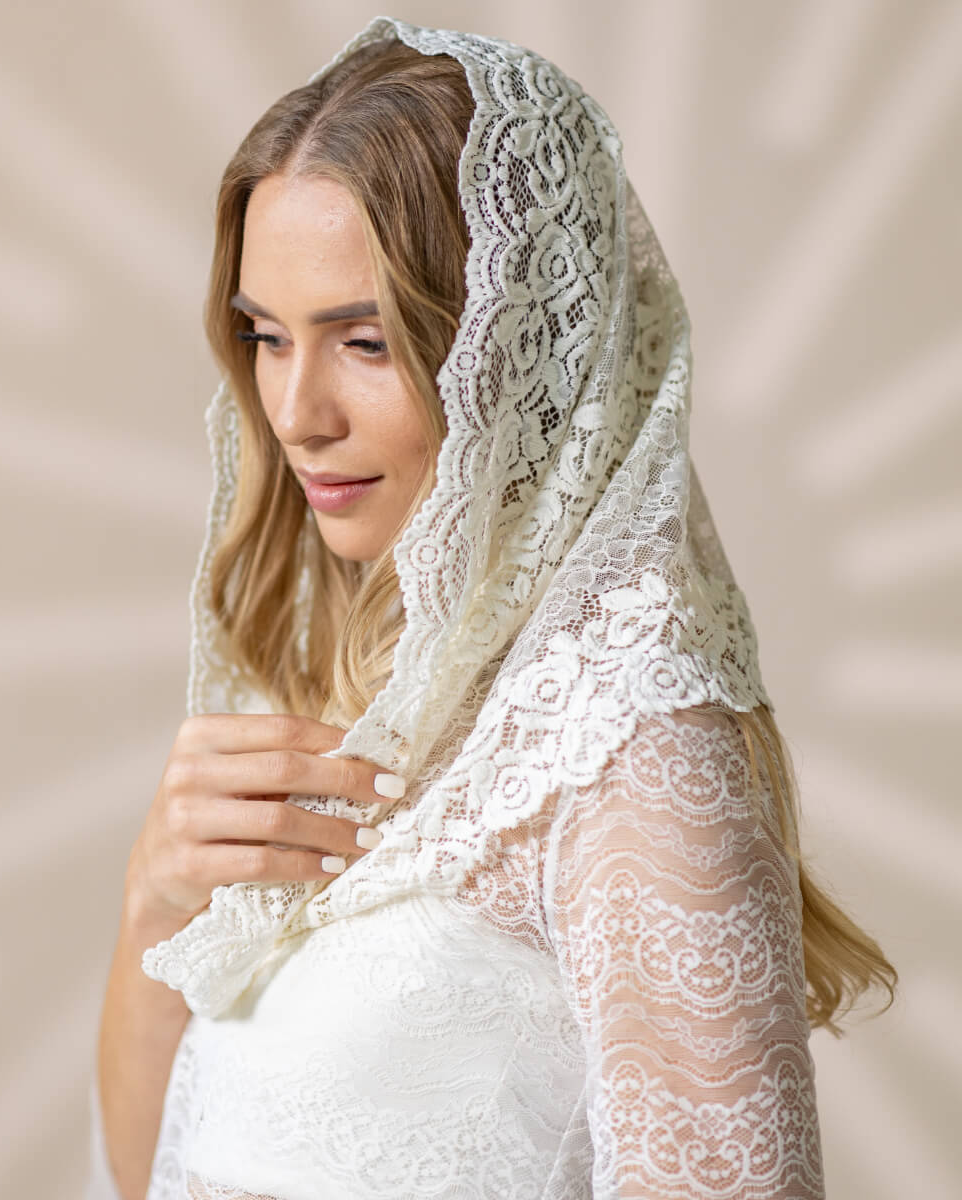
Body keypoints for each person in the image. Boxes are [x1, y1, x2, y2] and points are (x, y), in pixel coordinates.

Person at [89, 17, 898, 1200]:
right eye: (266, 337)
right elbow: (157, 1173)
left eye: (363, 341)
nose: (296, 411)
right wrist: (153, 901)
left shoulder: (635, 744)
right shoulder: (355, 678)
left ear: (519, 353)